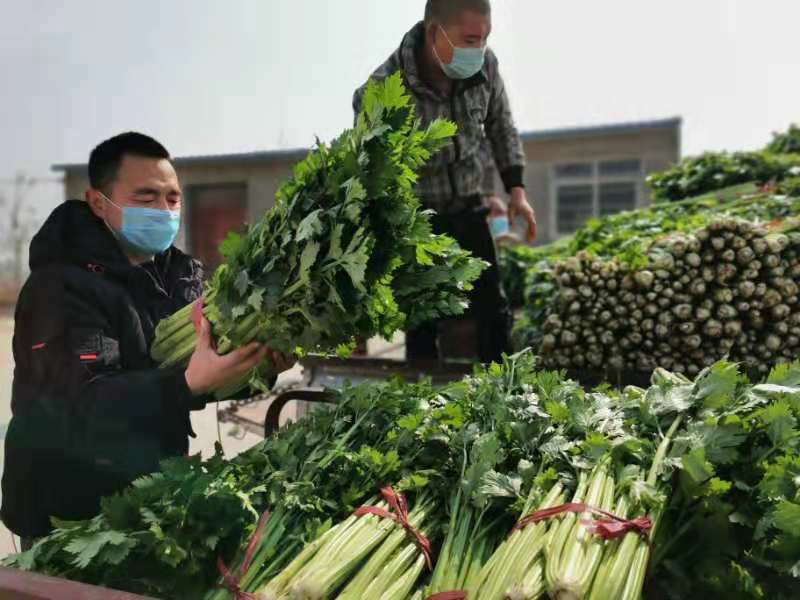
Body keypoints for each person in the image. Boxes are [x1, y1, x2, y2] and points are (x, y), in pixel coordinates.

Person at [1, 132, 292, 548]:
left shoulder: (179, 277)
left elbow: (192, 379)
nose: (164, 210)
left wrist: (252, 368)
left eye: (173, 198)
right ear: (99, 202)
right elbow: (80, 404)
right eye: (146, 198)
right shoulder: (60, 287)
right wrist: (187, 382)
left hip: (149, 496)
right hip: (66, 510)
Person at [353, 0, 536, 364]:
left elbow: (501, 124)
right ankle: (423, 405)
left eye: (484, 38)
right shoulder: (383, 90)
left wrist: (516, 189)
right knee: (424, 323)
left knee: (492, 314)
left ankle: (504, 399)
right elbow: (370, 171)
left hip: (469, 208)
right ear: (435, 32)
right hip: (418, 222)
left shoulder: (485, 66)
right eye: (469, 39)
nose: (478, 49)